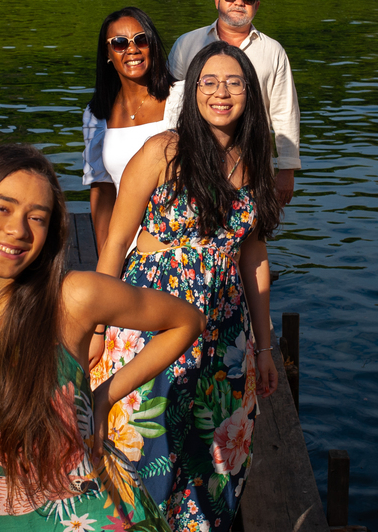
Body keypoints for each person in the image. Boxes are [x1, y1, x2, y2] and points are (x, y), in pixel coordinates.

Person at [0, 144, 206, 532]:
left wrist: (104, 397)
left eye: (37, 218)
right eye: (2, 207)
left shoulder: (73, 299)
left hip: (95, 517)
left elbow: (187, 321)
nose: (17, 230)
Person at [89, 41, 283, 531]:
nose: (222, 93)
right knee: (144, 444)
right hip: (151, 323)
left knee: (214, 456)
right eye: (209, 82)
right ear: (193, 90)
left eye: (234, 82)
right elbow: (116, 243)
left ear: (250, 92)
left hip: (224, 330)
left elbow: (254, 256)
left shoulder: (254, 159)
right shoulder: (164, 151)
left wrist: (264, 347)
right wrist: (97, 328)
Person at [168, 0, 300, 206]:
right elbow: (170, 106)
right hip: (193, 162)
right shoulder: (187, 44)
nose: (239, 2)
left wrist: (287, 169)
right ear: (217, 0)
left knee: (254, 227)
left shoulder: (273, 51)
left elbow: (285, 112)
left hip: (253, 165)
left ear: (256, 6)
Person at [83, 7, 183, 252]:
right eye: (119, 43)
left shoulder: (181, 98)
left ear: (152, 45)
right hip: (126, 249)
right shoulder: (96, 113)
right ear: (107, 53)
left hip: (180, 246)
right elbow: (103, 190)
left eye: (141, 40)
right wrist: (105, 258)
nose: (132, 49)